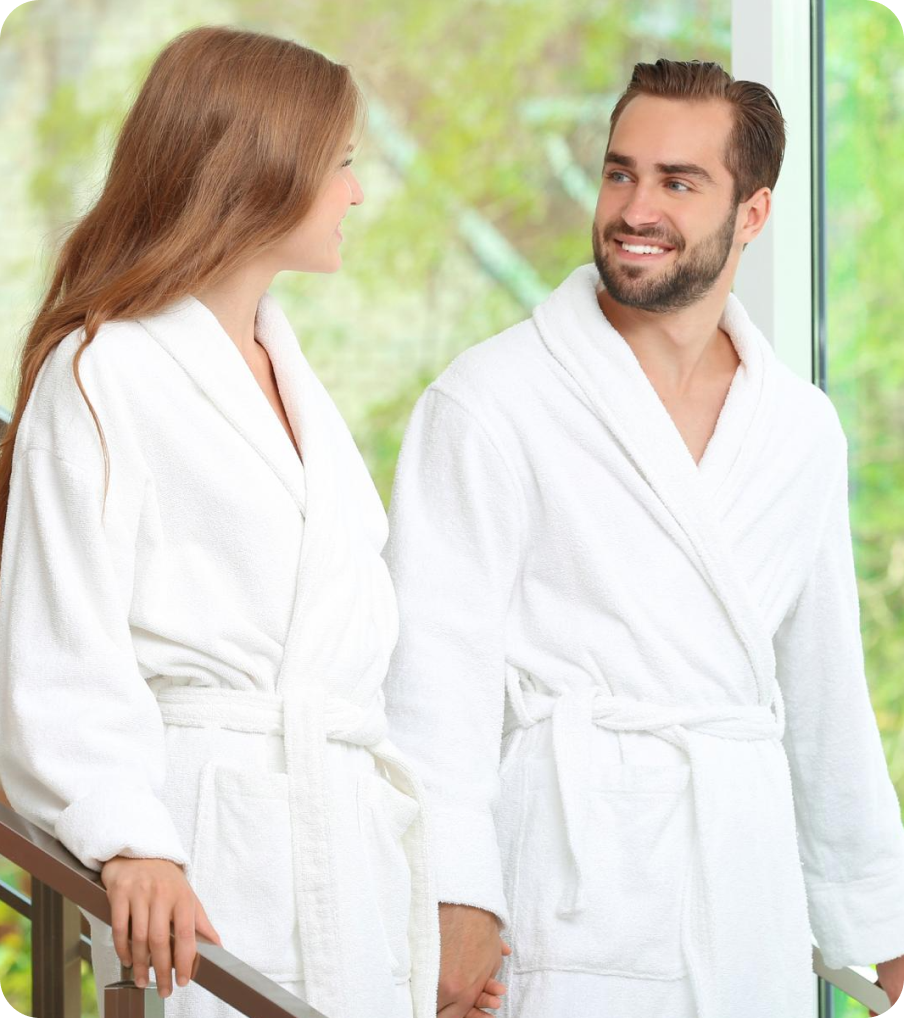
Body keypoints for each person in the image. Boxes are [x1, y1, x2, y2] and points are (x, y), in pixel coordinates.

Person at [384, 59, 904, 1018]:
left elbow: (825, 684)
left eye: (678, 182)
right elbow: (433, 671)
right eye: (621, 172)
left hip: (744, 889)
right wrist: (454, 890)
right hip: (568, 882)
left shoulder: (798, 427)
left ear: (752, 214)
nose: (635, 208)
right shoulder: (492, 399)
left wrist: (878, 919)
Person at [0, 25, 458, 1018]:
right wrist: (129, 838)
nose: (356, 192)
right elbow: (62, 633)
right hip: (206, 848)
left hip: (346, 850)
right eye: (339, 163)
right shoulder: (103, 371)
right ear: (263, 171)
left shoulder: (289, 376)